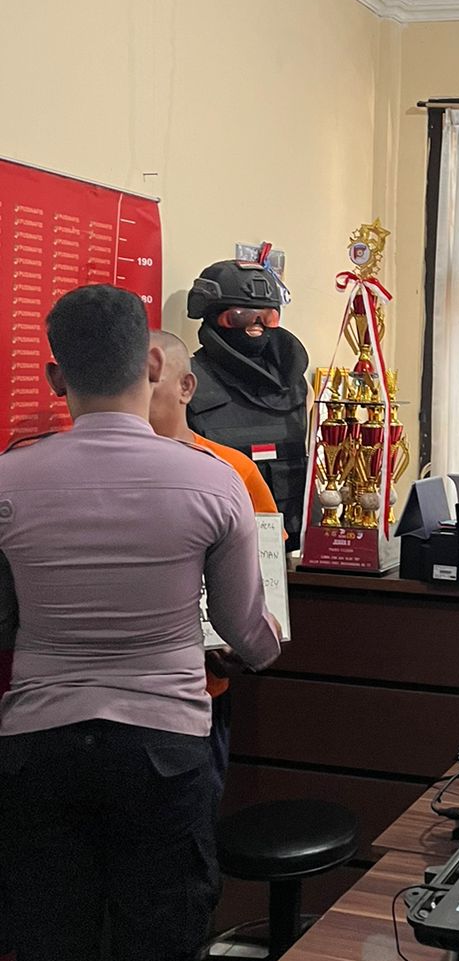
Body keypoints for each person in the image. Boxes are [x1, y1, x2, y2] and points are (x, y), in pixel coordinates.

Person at [0, 285, 281, 961]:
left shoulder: (9, 482)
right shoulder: (209, 480)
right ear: (153, 363)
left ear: (57, 378)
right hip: (162, 753)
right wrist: (265, 643)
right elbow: (246, 634)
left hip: (41, 753)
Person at [150, 328, 282, 789]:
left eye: (149, 381)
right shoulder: (98, 469)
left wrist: (244, 644)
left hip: (201, 690)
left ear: (186, 387)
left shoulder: (233, 471)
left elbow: (266, 573)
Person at [185, 260, 309, 540]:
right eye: (241, 316)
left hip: (292, 544)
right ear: (212, 316)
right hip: (220, 542)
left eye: (268, 317)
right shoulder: (187, 383)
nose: (256, 325)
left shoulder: (295, 382)